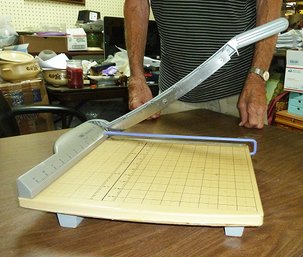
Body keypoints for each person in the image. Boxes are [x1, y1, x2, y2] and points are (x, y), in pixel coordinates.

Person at [123, 0, 283, 129]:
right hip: (174, 96)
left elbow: (268, 3)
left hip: (239, 97)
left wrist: (258, 76)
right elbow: (137, 3)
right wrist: (136, 76)